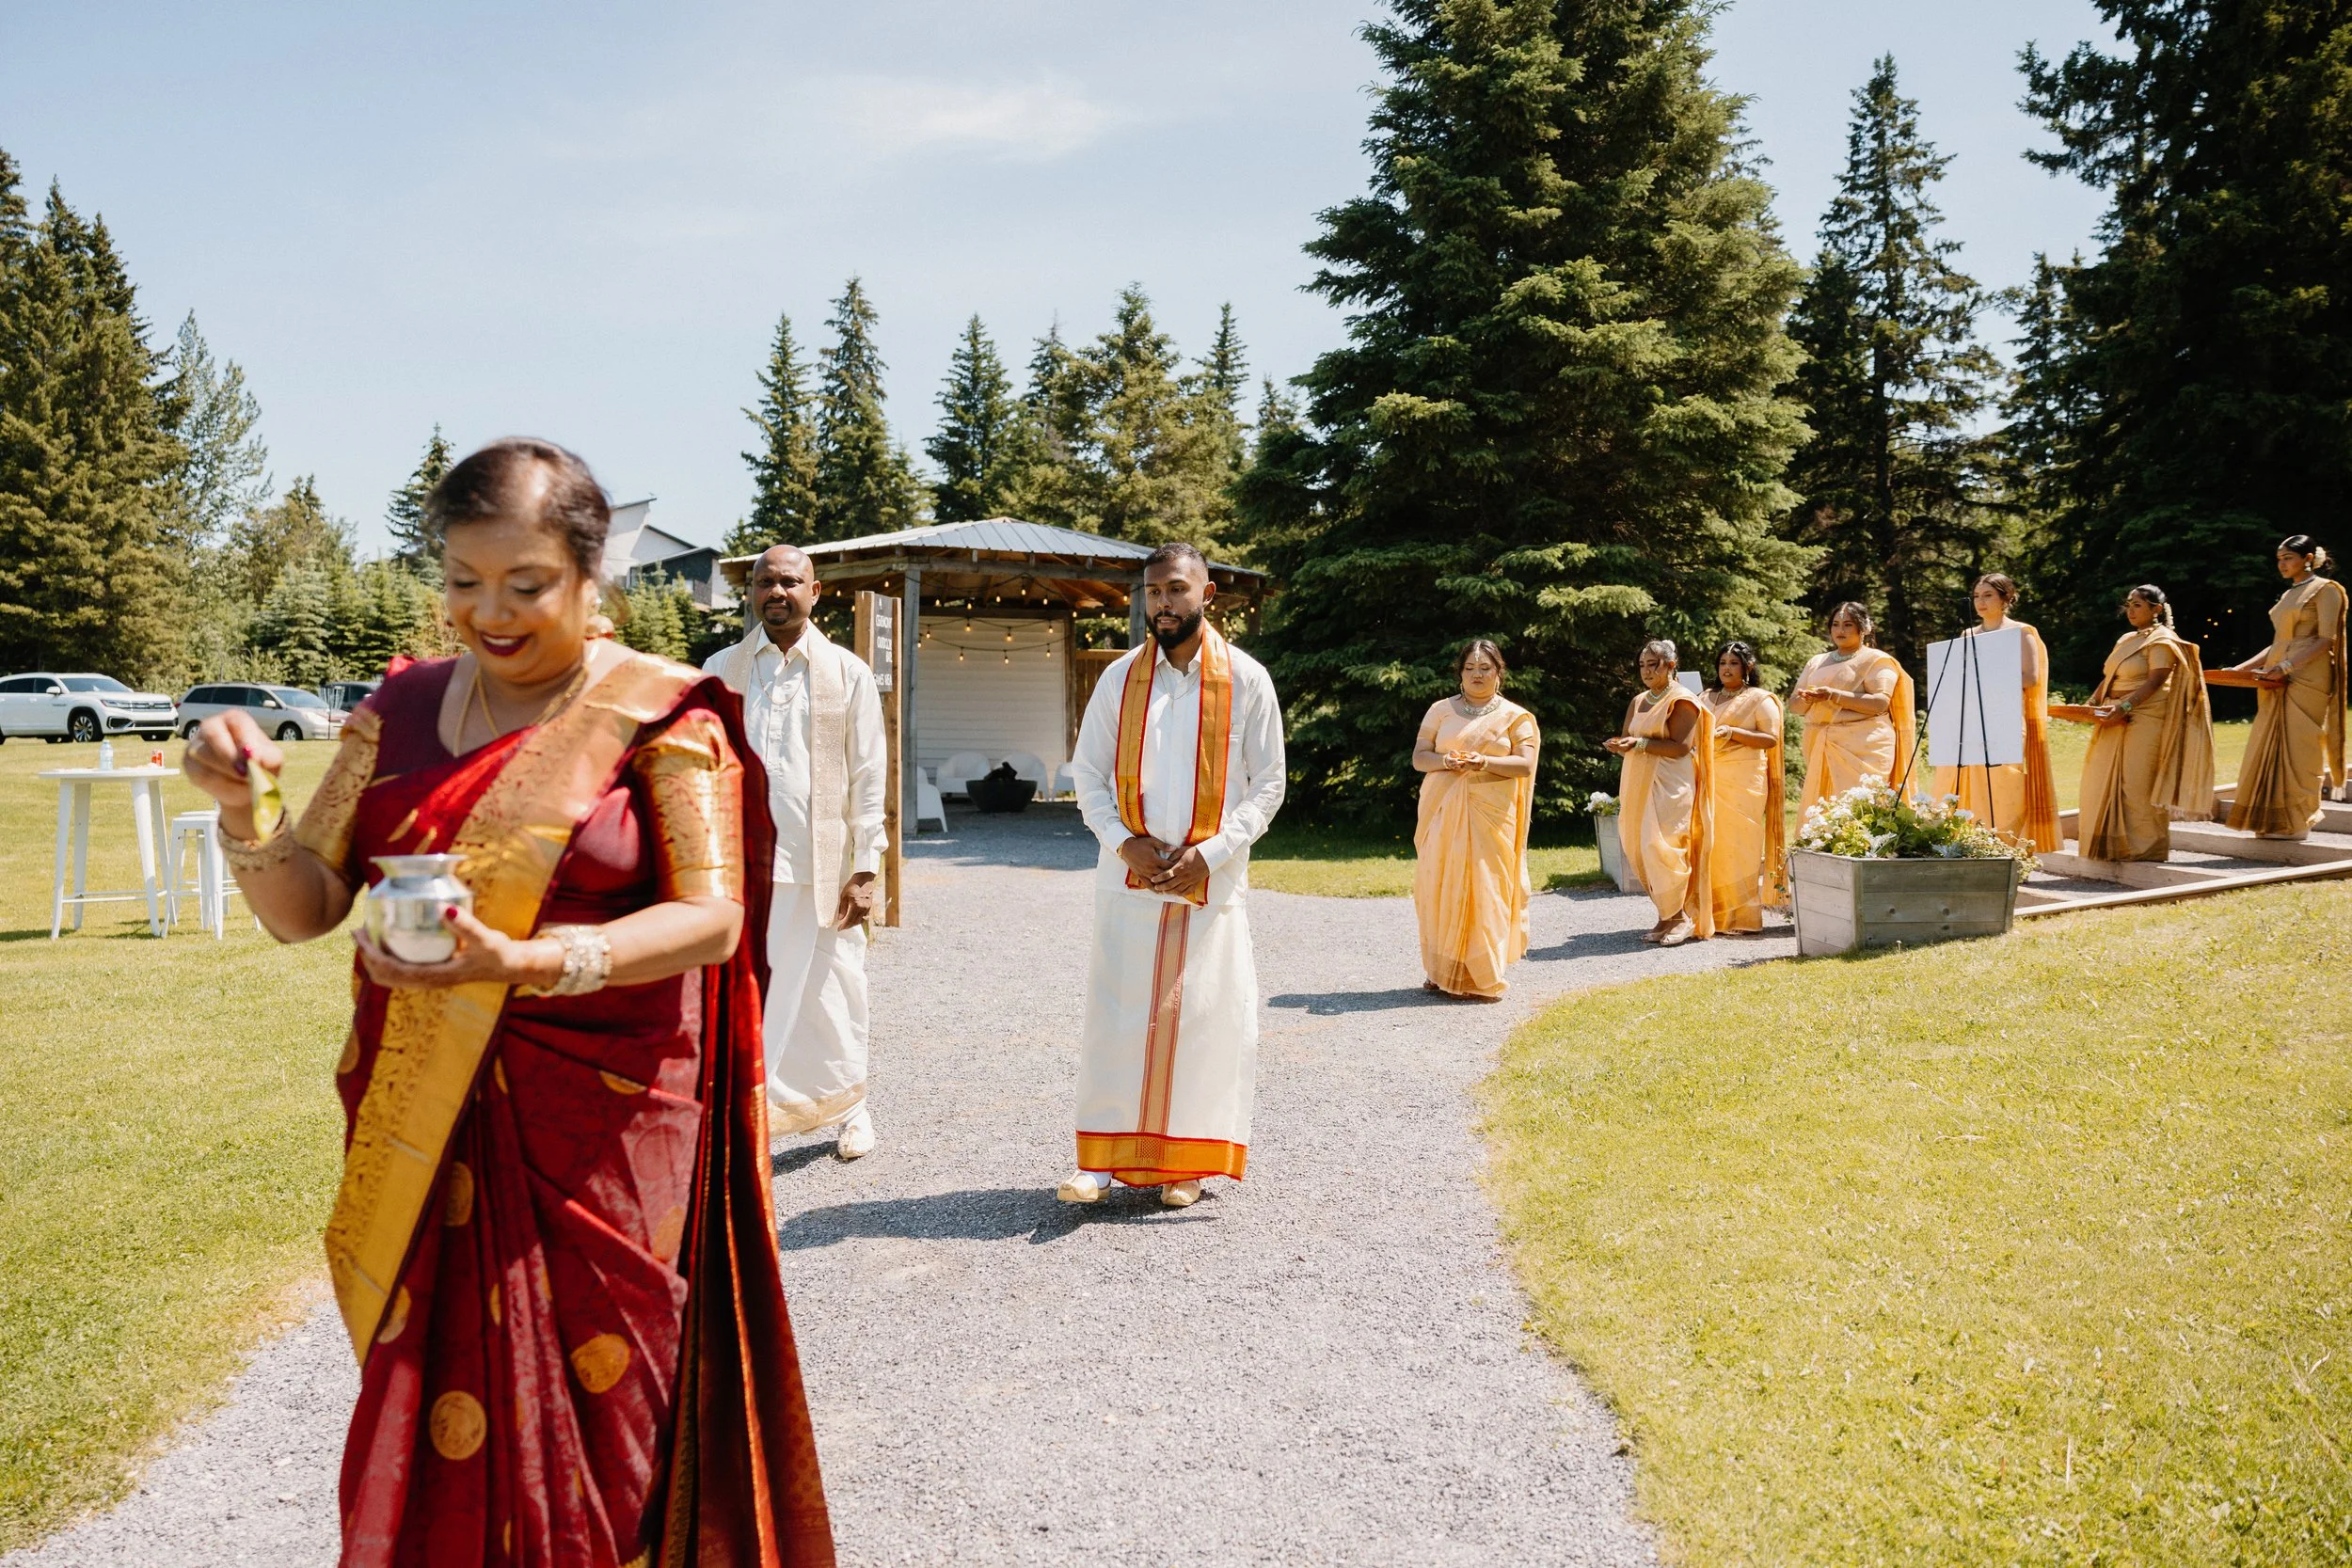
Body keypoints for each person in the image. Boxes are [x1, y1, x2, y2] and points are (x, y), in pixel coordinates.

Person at [181, 439, 834, 1567]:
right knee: (437, 1414)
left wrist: (530, 964)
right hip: (423, 1121)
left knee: (609, 1419)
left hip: (605, 1133)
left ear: (593, 579)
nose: (488, 611)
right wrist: (245, 814)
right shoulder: (400, 706)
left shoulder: (662, 716)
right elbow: (308, 906)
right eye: (461, 580)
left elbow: (712, 920)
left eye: (526, 584)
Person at [1062, 543, 1285, 1208]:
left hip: (1208, 879)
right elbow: (1087, 773)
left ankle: (1183, 1164)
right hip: (1127, 875)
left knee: (1201, 1016)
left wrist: (1211, 853)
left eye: (1177, 590)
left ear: (1207, 594)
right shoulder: (1120, 677)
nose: (1163, 603)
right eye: (1154, 592)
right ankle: (1098, 1161)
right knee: (1117, 1012)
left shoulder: (1246, 679)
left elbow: (1269, 784)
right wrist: (1122, 841)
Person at [704, 544, 888, 1160]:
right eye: (764, 581)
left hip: (826, 865)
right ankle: (754, 1111)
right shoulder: (719, 669)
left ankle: (853, 1110)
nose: (776, 591)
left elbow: (869, 774)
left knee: (838, 990)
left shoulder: (848, 672)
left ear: (815, 589)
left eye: (789, 581)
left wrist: (867, 866)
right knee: (754, 993)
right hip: (744, 866)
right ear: (752, 591)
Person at [1411, 640, 1539, 999]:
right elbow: (1420, 757)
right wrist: (1447, 761)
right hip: (1442, 812)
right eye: (1470, 668)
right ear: (1460, 672)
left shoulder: (1515, 717)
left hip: (1492, 818)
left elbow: (1525, 764)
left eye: (1485, 668)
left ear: (1500, 672)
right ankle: (1441, 969)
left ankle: (1483, 973)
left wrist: (1484, 762)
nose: (1478, 675)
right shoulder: (1440, 710)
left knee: (1488, 889)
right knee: (1440, 885)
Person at [2058, 584, 2215, 861]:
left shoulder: (2163, 639)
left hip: (2146, 715)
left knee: (2137, 781)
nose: (2130, 610)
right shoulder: (2126, 639)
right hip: (2110, 715)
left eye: (2137, 605)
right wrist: (2089, 707)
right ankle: (2112, 845)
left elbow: (2156, 680)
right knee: (2100, 779)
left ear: (2156, 609)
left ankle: (2146, 850)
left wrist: (2126, 705)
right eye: (2128, 605)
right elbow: (2109, 678)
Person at [2210, 536, 2346, 838]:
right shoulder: (2289, 595)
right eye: (2279, 559)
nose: (2282, 564)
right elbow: (2278, 642)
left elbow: (2327, 640)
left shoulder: (2326, 590)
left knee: (2299, 746)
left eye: (2288, 558)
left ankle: (2297, 822)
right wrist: (2241, 669)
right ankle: (2271, 821)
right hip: (2274, 675)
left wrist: (2286, 667)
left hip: (2307, 676)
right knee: (2268, 745)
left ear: (2308, 558)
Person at [1929, 575, 2061, 852]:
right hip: (1969, 722)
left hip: (2005, 719)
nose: (1980, 602)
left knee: (2004, 784)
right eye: (1977, 596)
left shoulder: (2022, 632)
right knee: (1964, 783)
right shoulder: (1966, 635)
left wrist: (1990, 675)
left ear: (2006, 598)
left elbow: (2031, 677)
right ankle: (1967, 844)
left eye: (1988, 595)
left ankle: (2006, 847)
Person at [1603, 640, 1714, 946]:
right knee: (1638, 846)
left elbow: (1681, 746)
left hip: (1670, 783)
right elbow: (1629, 737)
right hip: (1637, 779)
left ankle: (1681, 918)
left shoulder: (1683, 699)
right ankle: (1666, 915)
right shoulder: (1639, 700)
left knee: (1662, 847)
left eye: (1653, 664)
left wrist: (1637, 745)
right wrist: (1620, 744)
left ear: (1670, 665)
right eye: (1642, 665)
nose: (1646, 671)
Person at [1789, 603, 1916, 820]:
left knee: (1864, 810)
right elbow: (1794, 706)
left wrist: (1833, 695)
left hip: (1866, 745)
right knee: (1824, 813)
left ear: (1864, 628)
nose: (1841, 630)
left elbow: (1879, 703)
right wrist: (1806, 699)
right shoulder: (1816, 662)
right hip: (1821, 741)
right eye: (1835, 625)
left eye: (1848, 624)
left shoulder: (1876, 660)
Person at [1701, 641, 1784, 932]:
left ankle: (1740, 917)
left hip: (1744, 779)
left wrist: (1734, 733)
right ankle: (1710, 914)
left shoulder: (1760, 699)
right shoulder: (1705, 696)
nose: (1726, 668)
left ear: (1747, 667)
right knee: (1710, 844)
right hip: (1708, 778)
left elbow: (1770, 739)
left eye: (1733, 663)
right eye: (1722, 662)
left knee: (1740, 845)